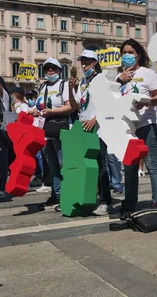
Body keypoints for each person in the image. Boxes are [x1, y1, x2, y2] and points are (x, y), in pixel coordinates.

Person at [116, 38, 157, 215]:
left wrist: (146, 102)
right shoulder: (118, 76)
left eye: (130, 52)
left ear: (138, 55)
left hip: (146, 124)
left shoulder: (147, 73)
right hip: (126, 127)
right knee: (129, 166)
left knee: (152, 164)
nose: (127, 55)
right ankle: (130, 202)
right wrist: (119, 81)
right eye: (124, 52)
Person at [68, 50, 112, 216]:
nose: (84, 64)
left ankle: (106, 200)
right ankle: (91, 197)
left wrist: (95, 119)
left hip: (98, 129)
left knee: (101, 165)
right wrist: (71, 90)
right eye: (82, 61)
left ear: (95, 63)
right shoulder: (82, 82)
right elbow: (75, 106)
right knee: (88, 165)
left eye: (87, 61)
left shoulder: (101, 79)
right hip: (84, 129)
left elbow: (107, 104)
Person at [35, 58, 72, 210]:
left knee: (63, 163)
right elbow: (39, 105)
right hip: (46, 129)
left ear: (59, 70)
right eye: (47, 69)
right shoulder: (43, 86)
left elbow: (70, 107)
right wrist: (34, 111)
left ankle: (67, 194)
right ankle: (56, 194)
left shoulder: (64, 85)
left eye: (53, 69)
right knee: (52, 165)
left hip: (61, 128)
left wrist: (52, 111)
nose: (50, 71)